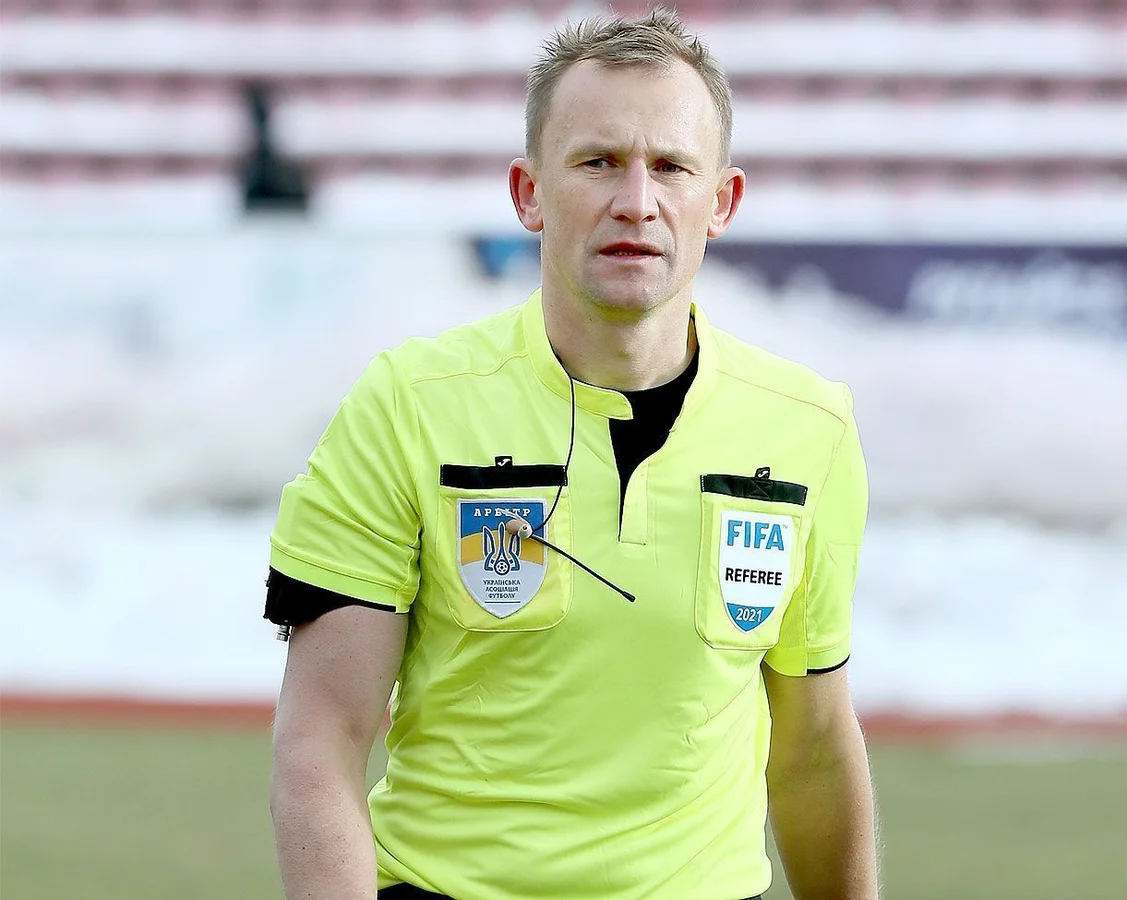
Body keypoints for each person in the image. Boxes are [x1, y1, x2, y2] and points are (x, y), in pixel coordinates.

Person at [265, 8, 878, 900]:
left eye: (672, 167)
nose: (637, 201)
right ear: (529, 193)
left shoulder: (808, 427)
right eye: (598, 162)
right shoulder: (407, 405)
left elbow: (815, 748)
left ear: (722, 202)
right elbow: (320, 739)